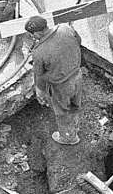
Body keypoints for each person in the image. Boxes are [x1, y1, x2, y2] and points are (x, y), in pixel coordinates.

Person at [25, 15, 84, 145]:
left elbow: (39, 75)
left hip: (61, 86)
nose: (32, 37)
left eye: (32, 34)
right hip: (77, 75)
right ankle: (75, 125)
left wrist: (40, 92)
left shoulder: (39, 52)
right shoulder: (65, 28)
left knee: (62, 111)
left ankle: (69, 137)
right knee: (75, 103)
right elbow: (78, 41)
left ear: (38, 32)